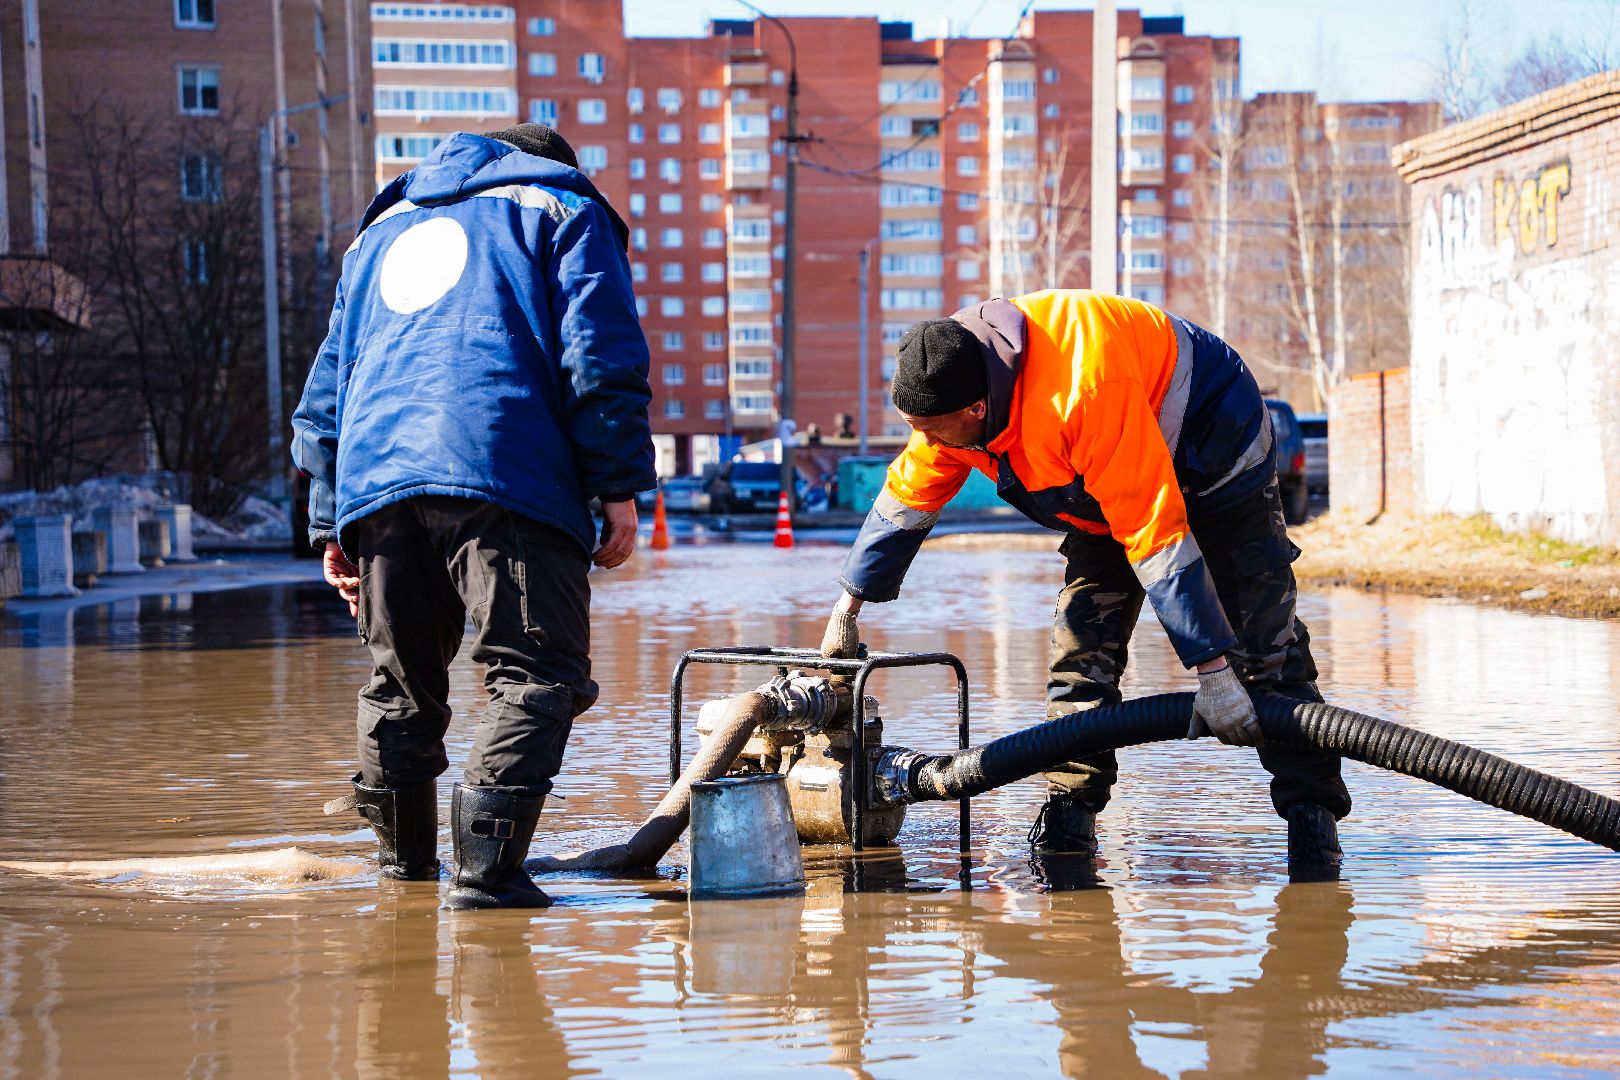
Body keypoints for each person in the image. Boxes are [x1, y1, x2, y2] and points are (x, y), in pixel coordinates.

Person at [819, 291, 1348, 881]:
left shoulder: (1080, 393)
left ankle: (1311, 820)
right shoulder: (948, 400)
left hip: (1212, 438)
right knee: (1082, 643)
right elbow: (905, 502)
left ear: (974, 410)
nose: (930, 442)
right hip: (1100, 476)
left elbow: (1155, 532)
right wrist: (848, 606)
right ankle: (1069, 813)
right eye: (920, 431)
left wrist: (1215, 673)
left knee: (1262, 637)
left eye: (935, 431)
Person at [292, 123, 655, 909]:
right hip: (507, 469)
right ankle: (486, 884)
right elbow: (598, 354)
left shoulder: (379, 233)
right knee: (535, 674)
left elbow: (324, 396)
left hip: (378, 485)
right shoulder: (560, 207)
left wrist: (331, 524)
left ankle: (404, 879)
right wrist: (619, 483)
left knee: (400, 687)